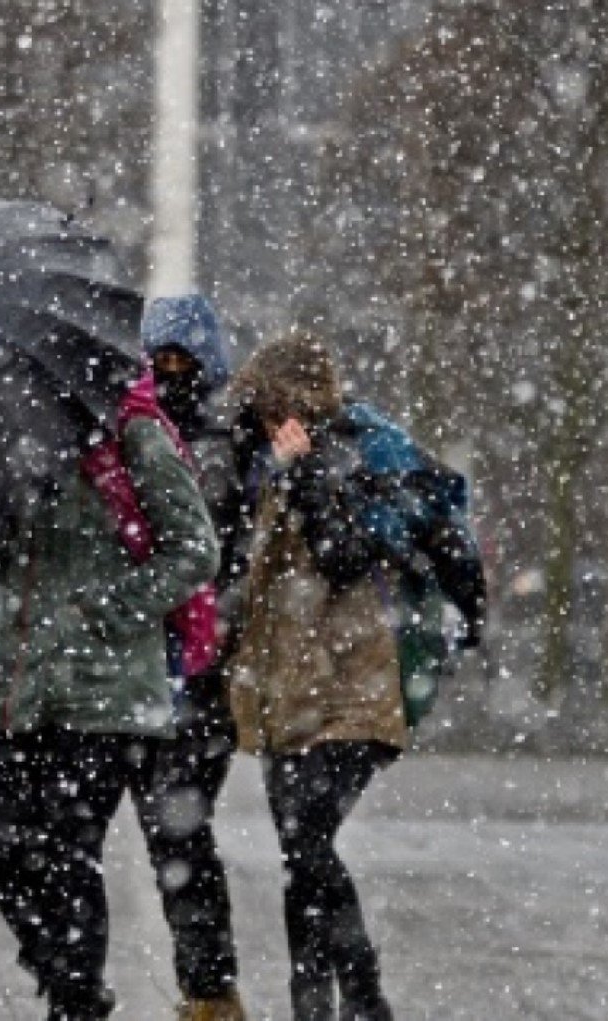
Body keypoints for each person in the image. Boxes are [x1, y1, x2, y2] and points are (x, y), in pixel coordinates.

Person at [0, 362, 221, 1021]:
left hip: (104, 689)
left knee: (65, 852)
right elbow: (8, 563)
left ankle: (75, 999)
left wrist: (109, 610)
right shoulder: (16, 437)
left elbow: (195, 548)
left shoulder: (133, 433)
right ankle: (68, 978)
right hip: (20, 684)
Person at [226, 331, 422, 1021]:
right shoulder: (268, 464)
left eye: (273, 404)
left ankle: (363, 995)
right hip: (286, 694)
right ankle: (313, 1004)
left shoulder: (346, 457)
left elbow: (345, 559)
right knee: (299, 854)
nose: (264, 418)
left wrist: (305, 476)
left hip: (350, 691)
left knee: (308, 841)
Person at [131, 295, 251, 1021]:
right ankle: (207, 986)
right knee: (174, 832)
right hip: (162, 662)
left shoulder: (221, 440)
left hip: (197, 665)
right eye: (161, 359)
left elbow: (217, 544)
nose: (173, 372)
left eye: (184, 360)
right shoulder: (152, 431)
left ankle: (209, 987)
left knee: (177, 830)